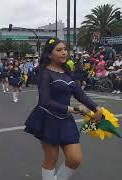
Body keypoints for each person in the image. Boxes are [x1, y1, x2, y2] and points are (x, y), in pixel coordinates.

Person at [24, 38, 102, 180]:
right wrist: (73, 109)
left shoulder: (68, 73)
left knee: (75, 159)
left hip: (65, 121)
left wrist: (96, 107)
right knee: (51, 160)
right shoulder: (45, 73)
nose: (64, 52)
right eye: (59, 50)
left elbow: (80, 94)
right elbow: (44, 101)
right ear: (49, 54)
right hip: (48, 119)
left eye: (65, 49)